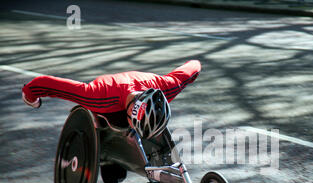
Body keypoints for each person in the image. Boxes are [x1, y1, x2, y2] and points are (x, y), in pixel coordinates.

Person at [22, 60, 201, 138]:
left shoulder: (167, 87)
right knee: (112, 172)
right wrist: (31, 97)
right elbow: (46, 84)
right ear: (129, 114)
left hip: (138, 85)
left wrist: (194, 65)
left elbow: (193, 67)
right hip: (110, 96)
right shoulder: (97, 96)